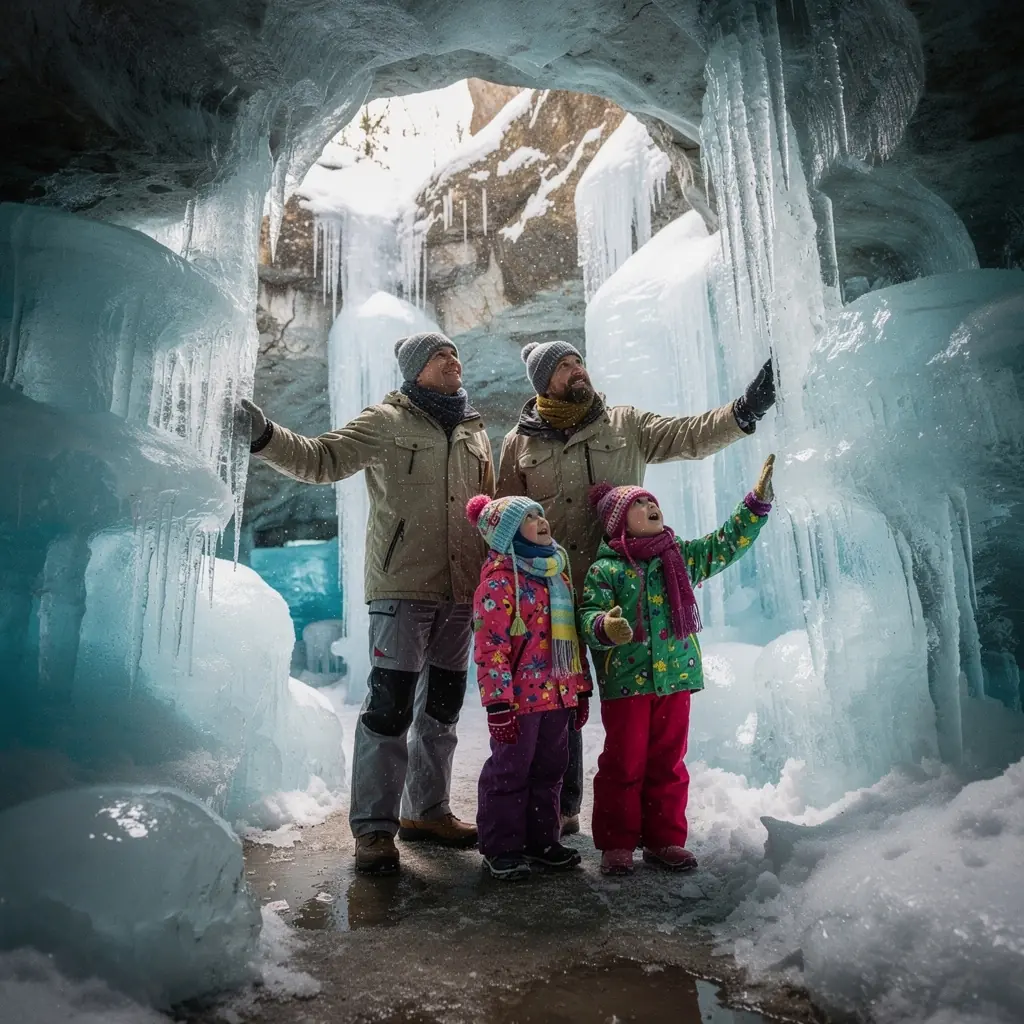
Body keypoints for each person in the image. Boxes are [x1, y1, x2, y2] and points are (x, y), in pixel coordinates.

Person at [496, 339, 776, 835]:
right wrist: (506, 592)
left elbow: (688, 435)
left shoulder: (625, 424)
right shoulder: (520, 443)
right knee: (559, 704)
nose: (577, 369)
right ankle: (560, 811)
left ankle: (647, 826)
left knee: (632, 718)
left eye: (579, 360)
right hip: (553, 596)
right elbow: (504, 517)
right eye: (563, 366)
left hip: (623, 587)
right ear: (544, 383)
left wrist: (744, 411)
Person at [242, 332, 493, 875]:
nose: (453, 360)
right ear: (415, 369)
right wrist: (264, 436)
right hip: (402, 585)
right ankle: (376, 830)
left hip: (460, 591)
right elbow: (322, 459)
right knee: (389, 707)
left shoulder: (476, 431)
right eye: (439, 355)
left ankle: (428, 811)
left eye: (453, 353)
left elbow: (489, 508)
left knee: (443, 707)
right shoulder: (386, 421)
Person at [577, 457, 775, 875]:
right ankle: (617, 843)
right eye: (640, 504)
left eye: (653, 501)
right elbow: (588, 615)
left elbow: (723, 545)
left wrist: (754, 506)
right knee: (624, 763)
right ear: (619, 523)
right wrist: (605, 626)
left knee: (668, 762)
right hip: (627, 683)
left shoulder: (678, 556)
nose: (652, 506)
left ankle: (664, 839)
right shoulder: (606, 569)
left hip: (676, 678)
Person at [465, 493, 591, 880]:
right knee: (510, 771)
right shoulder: (499, 584)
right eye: (529, 517)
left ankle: (543, 841)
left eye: (541, 513)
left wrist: (580, 687)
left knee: (551, 769)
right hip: (518, 701)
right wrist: (498, 703)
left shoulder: (557, 574)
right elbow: (491, 649)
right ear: (506, 533)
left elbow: (570, 639)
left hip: (557, 694)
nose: (541, 520)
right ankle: (501, 847)